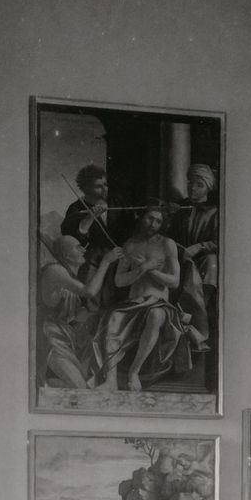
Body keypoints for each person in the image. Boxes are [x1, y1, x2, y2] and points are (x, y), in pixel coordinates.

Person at [93, 206, 189, 391]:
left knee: (155, 316)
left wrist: (150, 269)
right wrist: (142, 268)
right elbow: (119, 281)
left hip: (158, 302)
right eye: (149, 218)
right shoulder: (129, 245)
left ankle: (133, 372)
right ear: (140, 217)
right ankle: (110, 380)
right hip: (133, 303)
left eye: (158, 221)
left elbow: (175, 281)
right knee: (112, 317)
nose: (153, 224)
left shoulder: (167, 244)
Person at [36, 234, 116, 388]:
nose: (83, 250)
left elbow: (67, 312)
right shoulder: (55, 271)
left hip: (67, 337)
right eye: (77, 247)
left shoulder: (70, 276)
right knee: (79, 387)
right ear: (66, 255)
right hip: (51, 338)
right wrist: (106, 261)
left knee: (83, 385)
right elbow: (89, 291)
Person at [171, 162, 219, 296]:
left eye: (199, 185)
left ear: (208, 188)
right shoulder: (180, 209)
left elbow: (218, 242)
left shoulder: (214, 212)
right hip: (179, 260)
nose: (192, 188)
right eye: (190, 182)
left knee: (211, 261)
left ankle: (202, 305)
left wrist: (199, 247)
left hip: (200, 262)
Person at [58, 164, 115, 271]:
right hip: (93, 264)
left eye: (105, 184)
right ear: (86, 188)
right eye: (98, 186)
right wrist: (90, 217)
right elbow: (72, 240)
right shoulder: (76, 208)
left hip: (118, 261)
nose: (105, 189)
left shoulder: (116, 203)